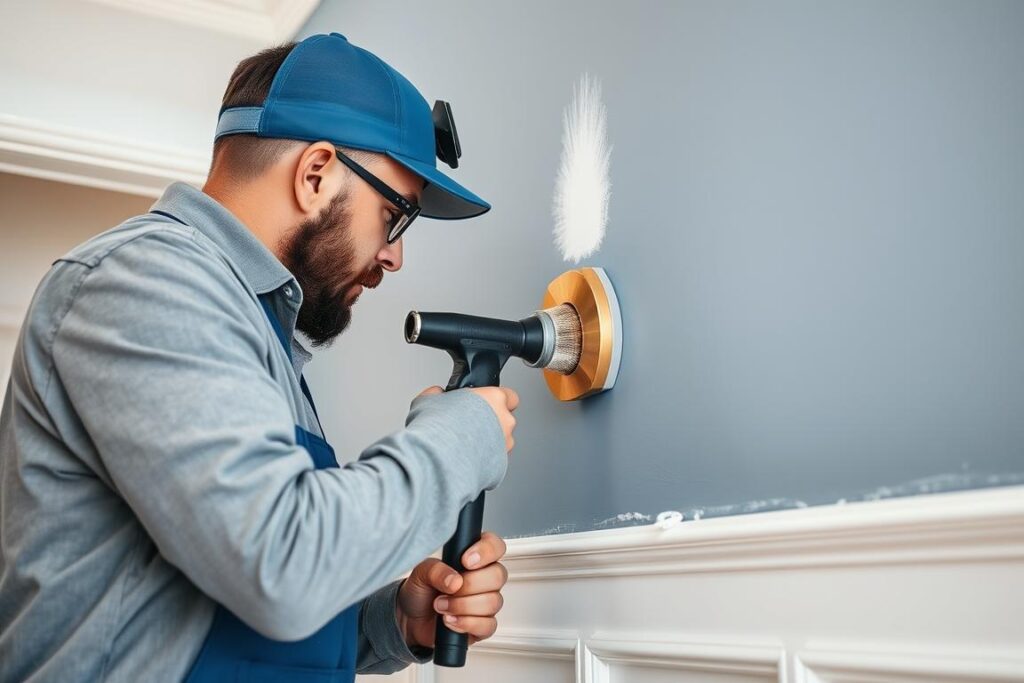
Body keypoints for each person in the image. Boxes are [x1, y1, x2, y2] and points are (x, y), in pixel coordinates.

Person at [0, 32, 519, 681]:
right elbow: (281, 567)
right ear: (315, 173)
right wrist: (458, 440)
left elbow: (220, 606)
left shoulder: (258, 325)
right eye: (394, 215)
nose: (394, 255)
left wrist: (392, 622)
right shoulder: (143, 282)